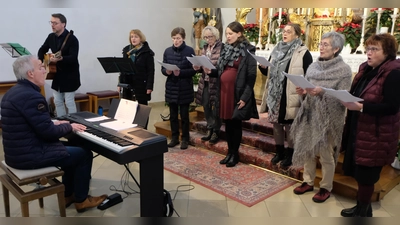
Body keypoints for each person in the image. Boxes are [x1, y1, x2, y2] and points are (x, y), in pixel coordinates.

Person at [1, 55, 108, 213]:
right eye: (40, 67)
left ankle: (67, 195)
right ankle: (82, 200)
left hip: (17, 152)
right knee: (84, 154)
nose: (44, 69)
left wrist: (53, 122)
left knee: (72, 148)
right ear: (30, 73)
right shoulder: (32, 96)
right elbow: (48, 134)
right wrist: (69, 127)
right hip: (30, 155)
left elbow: (31, 124)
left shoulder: (13, 92)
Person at [340, 33, 400, 217]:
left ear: (387, 52)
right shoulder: (366, 69)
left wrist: (362, 107)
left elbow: (392, 106)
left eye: (374, 49)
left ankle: (363, 210)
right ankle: (362, 208)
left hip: (376, 133)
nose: (369, 53)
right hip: (360, 129)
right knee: (360, 173)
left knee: (366, 176)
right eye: (368, 48)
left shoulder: (394, 73)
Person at [290, 32, 352, 203]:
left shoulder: (344, 70)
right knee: (308, 150)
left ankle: (325, 187)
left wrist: (322, 92)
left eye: (326, 44)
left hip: (329, 120)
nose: (321, 47)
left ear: (336, 48)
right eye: (321, 43)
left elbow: (343, 96)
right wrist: (304, 92)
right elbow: (309, 91)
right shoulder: (313, 67)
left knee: (326, 155)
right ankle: (308, 181)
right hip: (310, 114)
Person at [205, 21, 259, 167]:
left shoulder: (248, 51)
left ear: (239, 33)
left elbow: (251, 77)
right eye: (226, 34)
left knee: (235, 124)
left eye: (230, 34)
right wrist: (211, 71)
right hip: (224, 91)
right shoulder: (226, 49)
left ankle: (235, 154)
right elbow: (221, 71)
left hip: (237, 92)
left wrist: (244, 97)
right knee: (228, 124)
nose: (227, 37)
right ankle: (229, 152)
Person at [258, 23, 313, 167]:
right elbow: (269, 73)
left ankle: (290, 153)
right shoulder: (276, 50)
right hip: (275, 94)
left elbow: (309, 75)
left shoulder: (303, 52)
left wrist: (305, 90)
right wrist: (263, 67)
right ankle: (279, 152)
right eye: (284, 31)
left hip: (290, 95)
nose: (285, 34)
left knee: (289, 126)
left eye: (288, 31)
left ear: (296, 34)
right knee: (276, 124)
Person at [38, 13, 80, 117]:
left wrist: (61, 58)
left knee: (69, 102)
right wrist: (40, 60)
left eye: (55, 23)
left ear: (63, 24)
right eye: (51, 22)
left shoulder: (72, 39)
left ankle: (73, 124)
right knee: (57, 101)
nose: (52, 25)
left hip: (70, 74)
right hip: (56, 74)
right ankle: (61, 123)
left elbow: (73, 57)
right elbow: (42, 49)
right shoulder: (51, 36)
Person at [161, 27, 196, 150]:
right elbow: (163, 69)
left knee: (185, 116)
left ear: (183, 38)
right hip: (172, 87)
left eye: (178, 38)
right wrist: (167, 71)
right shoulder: (167, 51)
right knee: (173, 115)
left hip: (184, 87)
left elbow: (193, 70)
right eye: (174, 38)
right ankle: (174, 137)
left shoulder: (189, 51)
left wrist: (180, 73)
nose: (176, 41)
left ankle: (185, 138)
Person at [193, 26, 223, 145]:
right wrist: (197, 67)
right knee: (205, 104)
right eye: (205, 37)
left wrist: (212, 69)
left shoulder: (222, 47)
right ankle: (210, 128)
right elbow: (202, 65)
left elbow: (222, 66)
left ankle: (216, 130)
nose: (207, 39)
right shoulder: (205, 47)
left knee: (216, 107)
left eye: (210, 36)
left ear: (216, 36)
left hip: (216, 82)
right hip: (205, 80)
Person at [119, 29, 155, 106]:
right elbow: (122, 69)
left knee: (142, 109)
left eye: (136, 37)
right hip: (128, 83)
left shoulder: (146, 52)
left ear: (141, 38)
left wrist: (149, 86)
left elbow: (150, 71)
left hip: (141, 84)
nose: (133, 39)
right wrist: (120, 83)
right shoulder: (127, 51)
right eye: (132, 37)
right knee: (128, 108)